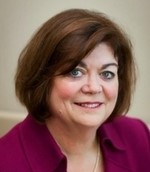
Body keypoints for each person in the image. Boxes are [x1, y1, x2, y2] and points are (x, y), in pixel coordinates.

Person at [0, 8, 150, 172]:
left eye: (107, 73)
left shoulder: (138, 136)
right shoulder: (5, 162)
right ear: (42, 79)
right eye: (75, 72)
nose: (93, 87)